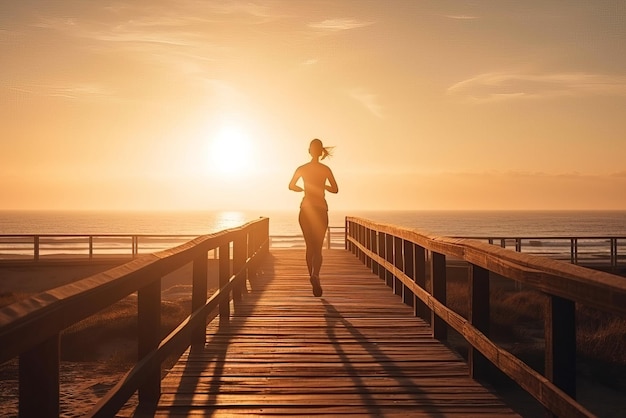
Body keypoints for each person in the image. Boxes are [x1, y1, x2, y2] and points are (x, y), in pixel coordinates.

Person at [288, 138, 339, 297]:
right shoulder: (325, 169)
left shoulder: (302, 168)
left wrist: (302, 189)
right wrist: (322, 185)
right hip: (320, 209)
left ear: (309, 151)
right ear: (321, 152)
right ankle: (315, 274)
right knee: (318, 248)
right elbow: (335, 189)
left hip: (306, 209)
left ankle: (311, 274)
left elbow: (291, 185)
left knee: (309, 246)